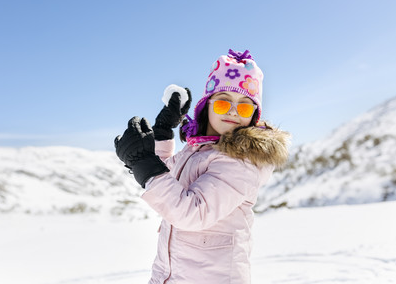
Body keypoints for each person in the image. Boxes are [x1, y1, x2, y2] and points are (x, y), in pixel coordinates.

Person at [114, 49, 290, 284]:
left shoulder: (242, 161)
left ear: (254, 116)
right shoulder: (198, 150)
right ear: (206, 105)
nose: (233, 111)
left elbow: (192, 213)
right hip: (170, 275)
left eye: (245, 106)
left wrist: (145, 165)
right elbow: (167, 182)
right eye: (223, 102)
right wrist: (163, 132)